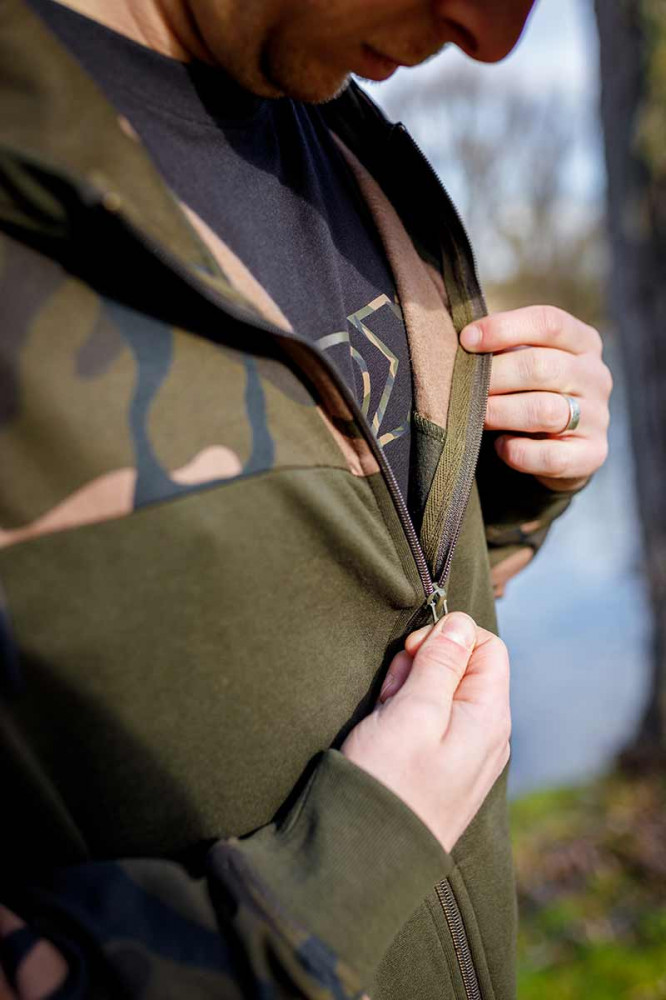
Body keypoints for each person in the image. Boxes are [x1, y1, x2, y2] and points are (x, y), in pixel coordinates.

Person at [0, 0, 612, 996]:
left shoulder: (360, 159)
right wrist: (337, 880)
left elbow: (346, 570)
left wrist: (511, 477)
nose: (493, 36)